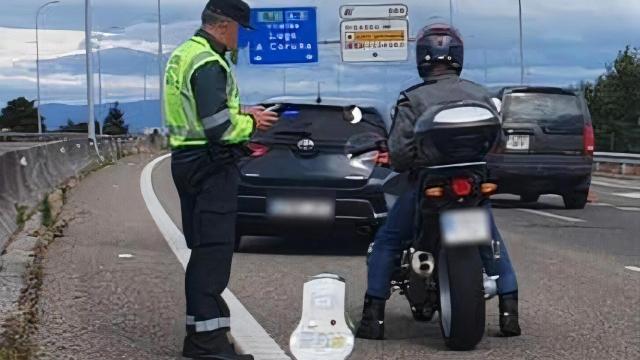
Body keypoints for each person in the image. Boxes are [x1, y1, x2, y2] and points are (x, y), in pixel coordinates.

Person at [356, 23, 522, 340]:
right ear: (457, 57)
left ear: (423, 58)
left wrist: (407, 161)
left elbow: (401, 154)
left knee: (388, 241)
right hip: (472, 184)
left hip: (427, 185)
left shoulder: (412, 99)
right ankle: (509, 313)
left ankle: (372, 318)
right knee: (492, 244)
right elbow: (497, 142)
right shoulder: (480, 95)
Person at [164, 0, 278, 358]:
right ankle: (207, 344)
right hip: (210, 165)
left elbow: (200, 109)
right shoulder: (209, 63)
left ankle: (201, 334)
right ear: (226, 26)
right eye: (242, 30)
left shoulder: (187, 54)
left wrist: (243, 110)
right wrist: (252, 123)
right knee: (212, 254)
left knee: (204, 251)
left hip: (189, 160)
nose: (242, 39)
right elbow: (219, 128)